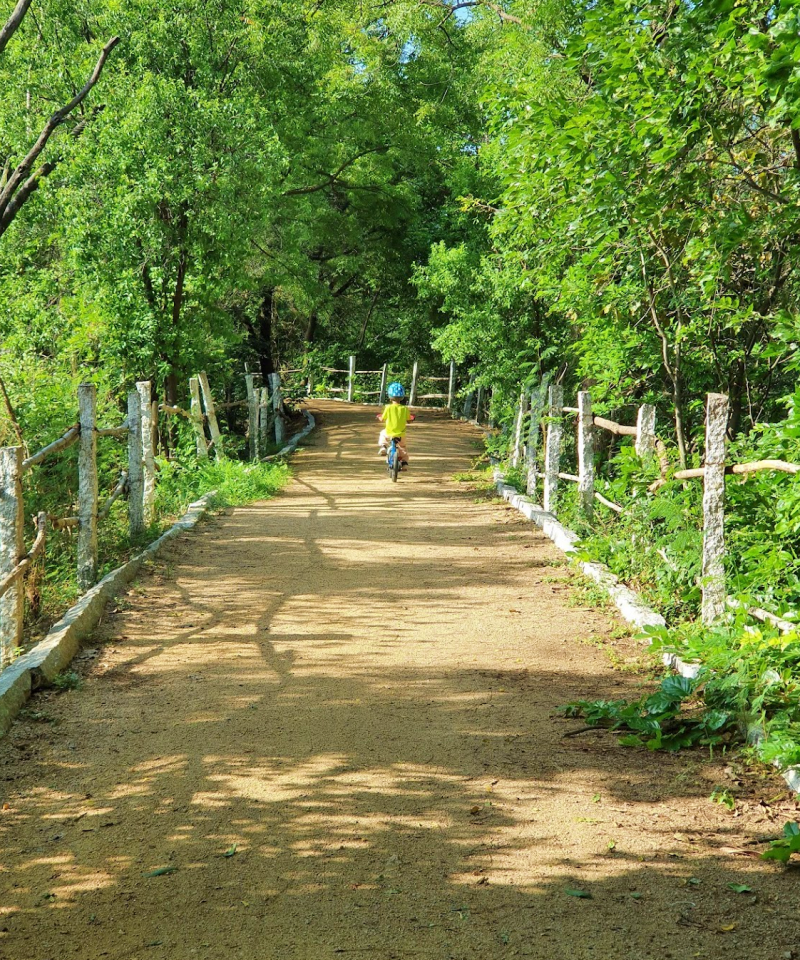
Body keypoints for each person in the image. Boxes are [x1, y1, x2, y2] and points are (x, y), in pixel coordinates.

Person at [378, 382, 414, 465]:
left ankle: (383, 446)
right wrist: (411, 419)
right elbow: (409, 420)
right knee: (403, 448)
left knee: (382, 433)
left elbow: (383, 418)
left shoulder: (388, 407)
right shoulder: (404, 409)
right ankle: (404, 463)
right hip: (401, 434)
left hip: (389, 432)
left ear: (390, 397)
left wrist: (379, 417)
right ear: (402, 397)